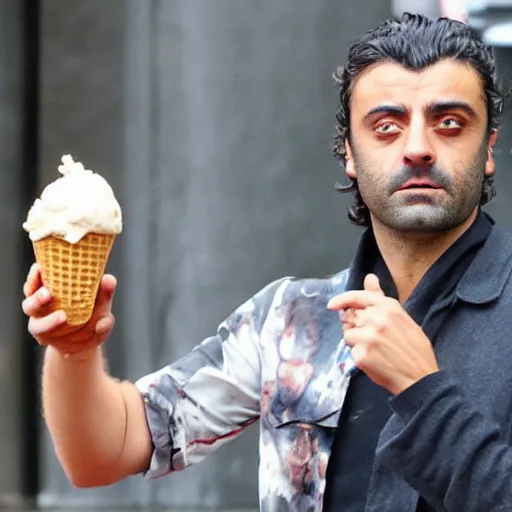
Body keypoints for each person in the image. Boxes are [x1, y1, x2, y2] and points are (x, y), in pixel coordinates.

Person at [21, 12, 512, 512]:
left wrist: (423, 394)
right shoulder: (293, 319)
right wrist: (75, 350)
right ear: (349, 153)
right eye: (386, 126)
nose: (417, 148)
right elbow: (103, 453)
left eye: (449, 123)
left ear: (488, 148)